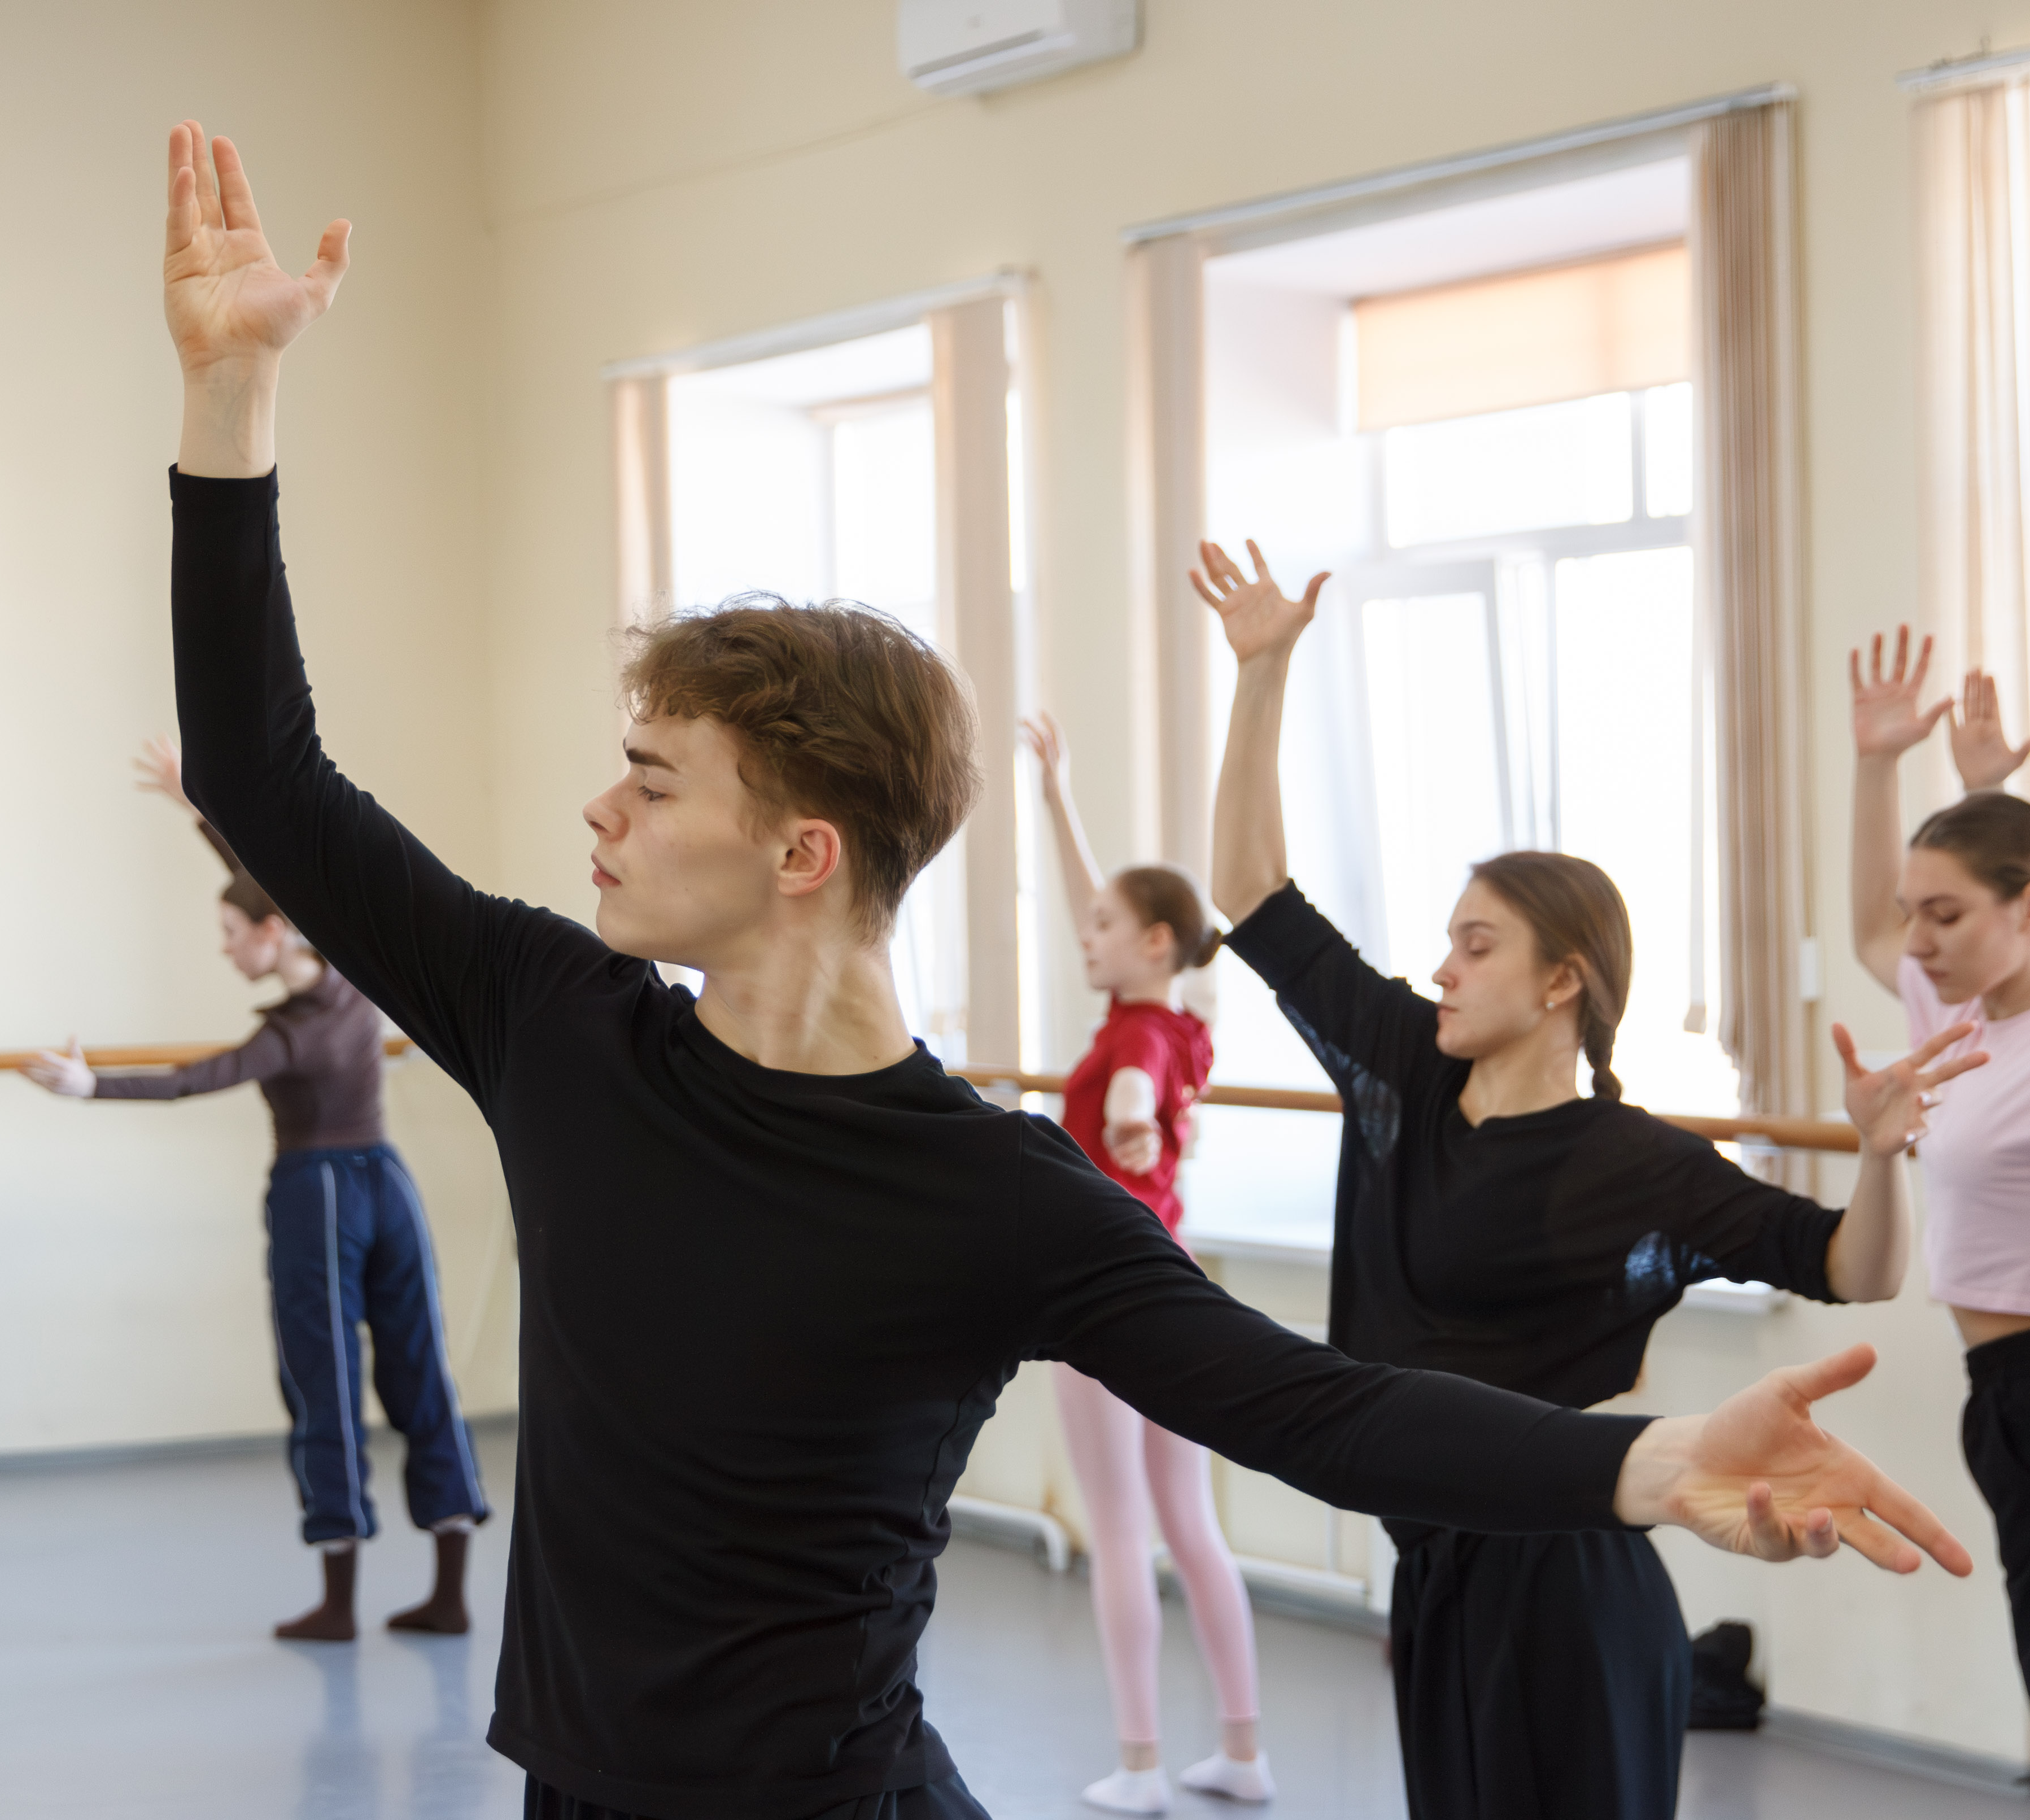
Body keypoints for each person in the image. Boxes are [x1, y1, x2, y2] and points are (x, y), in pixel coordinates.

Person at [152, 124, 1970, 1820]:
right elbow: (263, 774)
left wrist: (1647, 1464)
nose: (597, 812)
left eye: (650, 780)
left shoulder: (994, 1195)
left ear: (804, 853)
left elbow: (1309, 1404)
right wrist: (231, 396)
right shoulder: (555, 1026)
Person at [1198, 539, 1987, 1820]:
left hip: (1564, 1577)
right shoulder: (1406, 1064)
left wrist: (1880, 1155)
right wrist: (1262, 672)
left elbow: (1853, 1268)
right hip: (1435, 1561)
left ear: (1561, 980)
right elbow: (1249, 893)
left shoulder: (1636, 1164)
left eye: (1475, 945)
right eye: (1445, 944)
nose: (1442, 970)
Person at [19, 735, 490, 1640]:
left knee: (323, 1382)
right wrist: (193, 810)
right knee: (419, 1369)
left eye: (232, 936)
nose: (226, 949)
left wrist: (89, 1086)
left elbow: (192, 1079)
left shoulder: (289, 1034)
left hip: (318, 1193)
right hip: (390, 1185)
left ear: (272, 935)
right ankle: (449, 1591)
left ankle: (339, 1602)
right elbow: (265, 883)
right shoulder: (352, 971)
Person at [1023, 712, 1264, 1814]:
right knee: (1189, 1522)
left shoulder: (1131, 1041)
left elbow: (1128, 1087)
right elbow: (1105, 915)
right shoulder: (1178, 1022)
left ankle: (1137, 1766)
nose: (1086, 934)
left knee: (1118, 1528)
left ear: (1155, 940)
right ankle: (1243, 1751)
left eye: (1104, 926)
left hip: (1105, 1301)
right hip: (1176, 1282)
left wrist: (1125, 1123)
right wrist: (1056, 796)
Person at [1846, 629, 2030, 1715]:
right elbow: (1873, 930)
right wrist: (1879, 765)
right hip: (1999, 1394)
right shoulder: (1962, 1022)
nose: (1916, 940)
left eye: (1945, 916)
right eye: (1917, 911)